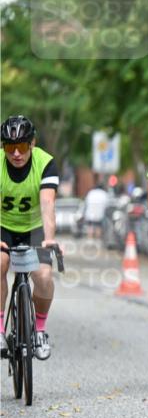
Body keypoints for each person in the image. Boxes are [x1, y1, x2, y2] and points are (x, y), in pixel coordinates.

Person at [0, 115, 59, 359]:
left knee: (43, 276)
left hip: (35, 229)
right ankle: (0, 328)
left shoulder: (45, 163)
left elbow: (47, 204)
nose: (16, 153)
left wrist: (49, 238)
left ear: (32, 143)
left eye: (22, 146)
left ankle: (40, 330)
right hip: (3, 226)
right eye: (10, 147)